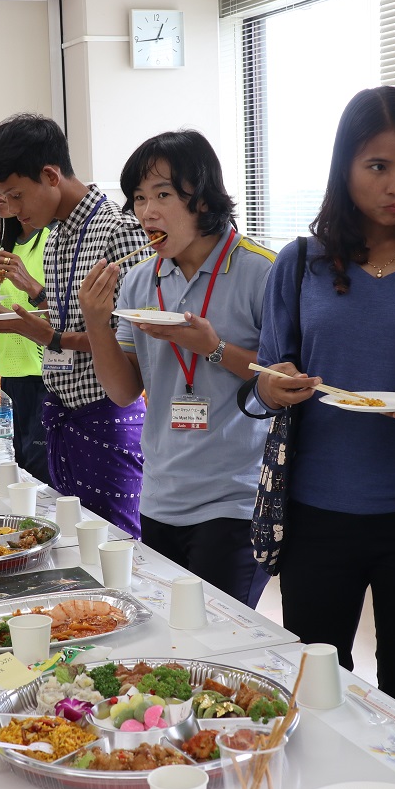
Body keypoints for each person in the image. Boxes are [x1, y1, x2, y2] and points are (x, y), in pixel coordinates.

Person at [254, 87, 395, 721]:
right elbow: (266, 380)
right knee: (320, 693)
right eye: (377, 166)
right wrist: (271, 386)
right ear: (345, 168)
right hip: (317, 517)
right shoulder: (299, 265)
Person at [78, 130, 273, 607]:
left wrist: (213, 347)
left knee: (218, 642)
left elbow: (286, 380)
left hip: (235, 501)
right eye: (139, 199)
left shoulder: (263, 271)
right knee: (173, 644)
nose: (147, 212)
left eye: (163, 195)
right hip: (160, 497)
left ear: (203, 199)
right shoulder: (141, 280)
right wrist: (96, 323)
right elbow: (124, 392)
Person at [0, 114, 151, 536]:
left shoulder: (120, 230)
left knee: (116, 549)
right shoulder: (58, 233)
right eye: (2, 198)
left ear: (50, 175)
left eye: (17, 195)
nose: (11, 209)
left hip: (107, 418)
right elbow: (64, 320)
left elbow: (130, 342)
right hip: (63, 414)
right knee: (74, 545)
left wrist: (45, 334)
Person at [0, 185, 52, 485]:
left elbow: (65, 314)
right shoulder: (10, 244)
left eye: (5, 186)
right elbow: (11, 312)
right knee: (17, 473)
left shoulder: (50, 239)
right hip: (12, 376)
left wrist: (31, 287)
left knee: (41, 475)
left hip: (44, 375)